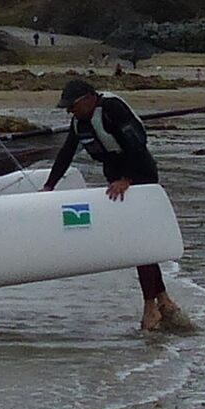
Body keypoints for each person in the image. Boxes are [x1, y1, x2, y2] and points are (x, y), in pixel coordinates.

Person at [47, 76, 180, 330]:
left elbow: (137, 144)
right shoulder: (79, 122)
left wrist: (127, 179)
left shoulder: (112, 109)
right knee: (139, 243)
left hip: (140, 176)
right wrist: (49, 185)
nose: (70, 111)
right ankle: (162, 300)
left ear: (88, 98)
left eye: (72, 105)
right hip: (116, 179)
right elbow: (66, 153)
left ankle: (150, 307)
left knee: (141, 245)